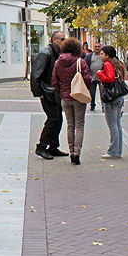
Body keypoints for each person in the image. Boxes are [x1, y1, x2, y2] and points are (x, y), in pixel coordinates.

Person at [51, 37, 92, 165]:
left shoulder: (58, 63)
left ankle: (70, 150)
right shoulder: (80, 62)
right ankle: (76, 153)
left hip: (65, 98)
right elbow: (88, 79)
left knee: (70, 125)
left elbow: (54, 81)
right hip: (79, 97)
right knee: (79, 125)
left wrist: (62, 91)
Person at [31, 30, 67, 160]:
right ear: (54, 40)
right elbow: (36, 75)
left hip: (55, 92)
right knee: (53, 119)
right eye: (61, 39)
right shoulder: (45, 54)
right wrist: (38, 92)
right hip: (47, 92)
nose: (63, 42)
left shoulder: (57, 53)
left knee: (58, 119)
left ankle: (53, 146)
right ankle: (41, 147)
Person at [97, 45, 126, 160]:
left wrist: (100, 74)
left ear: (107, 55)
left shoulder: (108, 64)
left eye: (102, 54)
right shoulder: (118, 64)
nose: (100, 56)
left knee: (112, 124)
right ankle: (118, 150)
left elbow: (110, 79)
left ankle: (113, 151)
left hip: (111, 97)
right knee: (117, 124)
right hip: (118, 96)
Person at [85, 41, 105, 111]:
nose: (97, 48)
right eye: (96, 46)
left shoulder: (103, 56)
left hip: (101, 78)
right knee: (92, 93)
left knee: (102, 92)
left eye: (98, 46)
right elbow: (85, 65)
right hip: (92, 77)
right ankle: (92, 105)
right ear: (93, 47)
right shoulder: (89, 56)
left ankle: (103, 106)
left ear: (101, 47)